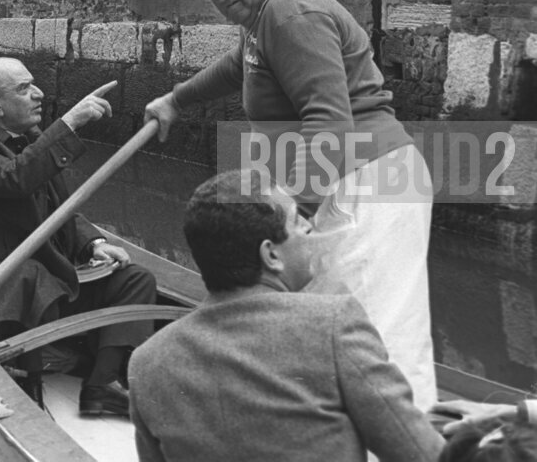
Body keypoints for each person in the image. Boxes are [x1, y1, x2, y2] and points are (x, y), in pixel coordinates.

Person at [143, 0, 437, 410]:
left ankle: (401, 438)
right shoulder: (265, 15)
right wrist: (176, 99)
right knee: (335, 326)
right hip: (347, 180)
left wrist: (292, 212)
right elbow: (240, 65)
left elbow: (327, 118)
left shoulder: (290, 12)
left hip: (368, 184)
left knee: (376, 334)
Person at [128, 169, 445, 462]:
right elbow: (418, 453)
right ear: (271, 255)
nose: (308, 226)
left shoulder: (146, 363)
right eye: (296, 221)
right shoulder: (333, 323)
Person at [0, 57, 157, 416]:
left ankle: (101, 385)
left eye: (33, 84)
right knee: (28, 278)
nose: (38, 94)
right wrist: (68, 124)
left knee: (134, 280)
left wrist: (92, 243)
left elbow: (60, 205)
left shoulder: (28, 136)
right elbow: (15, 179)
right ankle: (29, 371)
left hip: (40, 264)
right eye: (24, 89)